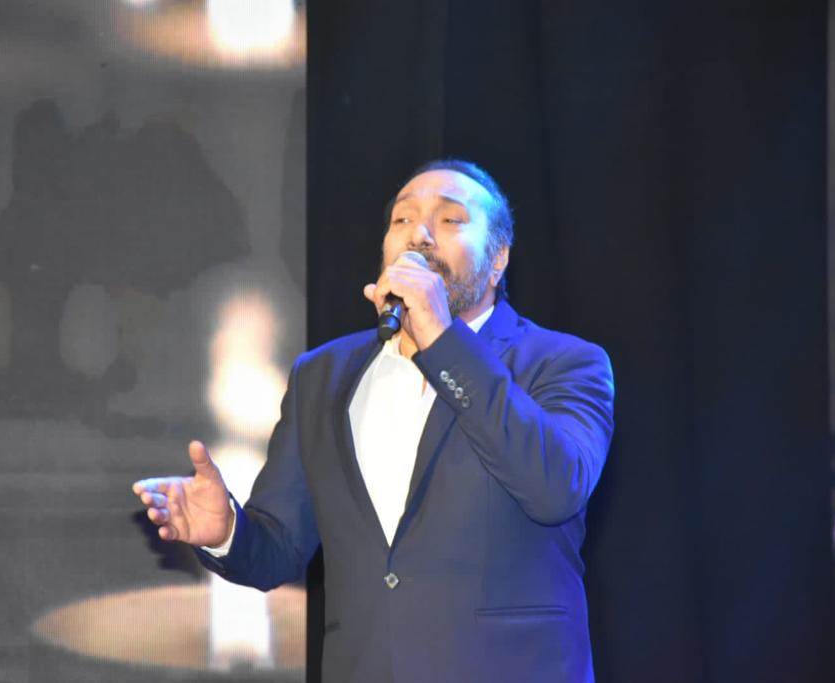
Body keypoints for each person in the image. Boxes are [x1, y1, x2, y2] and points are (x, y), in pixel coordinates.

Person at [132, 159, 615, 682]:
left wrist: (441, 338)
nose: (420, 234)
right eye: (402, 219)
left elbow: (555, 488)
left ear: (498, 260)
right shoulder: (323, 375)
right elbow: (281, 548)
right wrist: (226, 532)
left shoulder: (564, 363)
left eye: (450, 219)